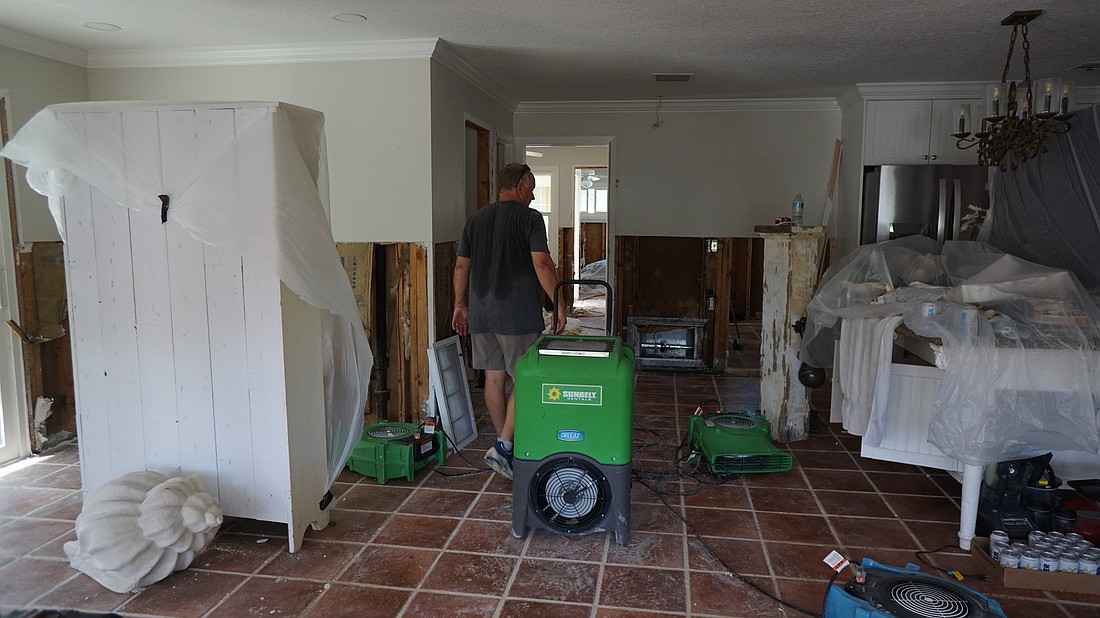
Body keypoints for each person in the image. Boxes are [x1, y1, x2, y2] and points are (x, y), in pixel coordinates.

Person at [452, 163, 567, 480]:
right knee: (525, 378)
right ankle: (505, 446)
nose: (531, 196)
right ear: (519, 186)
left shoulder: (475, 220)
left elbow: (462, 268)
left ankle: (506, 449)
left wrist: (460, 305)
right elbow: (542, 264)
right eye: (530, 188)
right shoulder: (530, 218)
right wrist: (558, 303)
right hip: (516, 312)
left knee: (493, 377)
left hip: (481, 311)